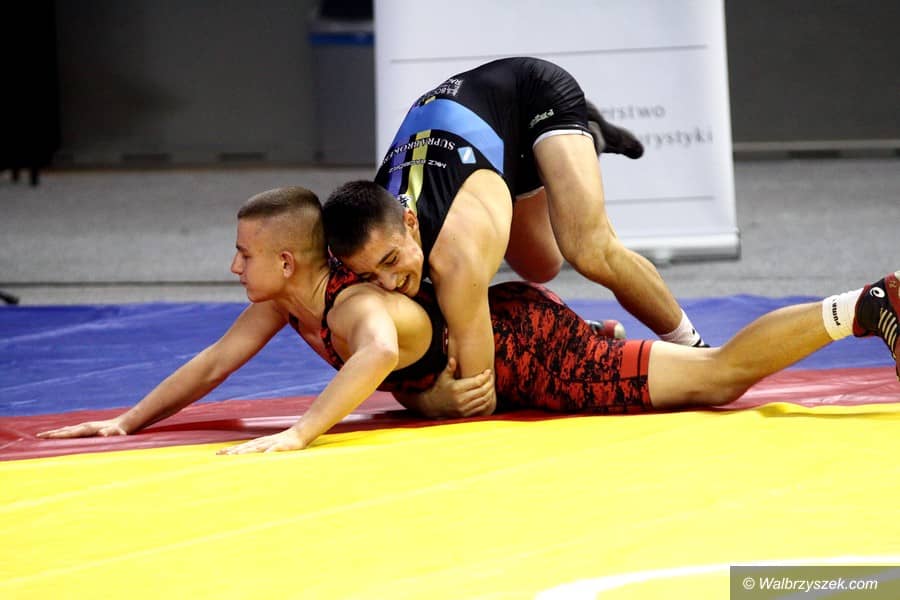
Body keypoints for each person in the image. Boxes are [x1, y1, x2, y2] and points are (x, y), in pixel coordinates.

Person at [37, 187, 899, 455]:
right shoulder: (280, 305)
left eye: (243, 254)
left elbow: (377, 351)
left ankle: (862, 307)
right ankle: (858, 308)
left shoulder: (354, 304)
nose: (234, 268)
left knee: (715, 381)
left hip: (527, 352)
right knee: (699, 380)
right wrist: (127, 420)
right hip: (509, 341)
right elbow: (212, 364)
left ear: (289, 263)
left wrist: (300, 433)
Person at [322, 57, 708, 417]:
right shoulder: (365, 236)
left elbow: (478, 392)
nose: (389, 283)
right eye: (370, 276)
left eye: (390, 261)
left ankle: (693, 345)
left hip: (531, 96)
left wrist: (428, 400)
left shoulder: (456, 252)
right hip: (488, 145)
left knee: (590, 251)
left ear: (409, 222)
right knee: (541, 265)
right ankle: (575, 330)